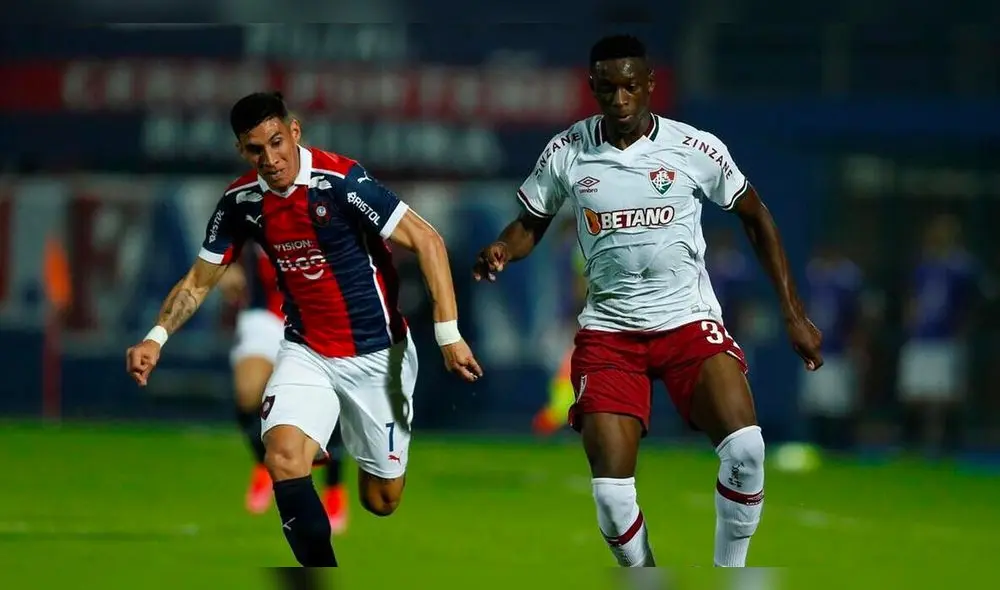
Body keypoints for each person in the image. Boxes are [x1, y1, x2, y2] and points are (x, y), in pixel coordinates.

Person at [473, 35, 822, 568]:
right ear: (591, 87)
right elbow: (530, 223)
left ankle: (730, 575)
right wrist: (503, 247)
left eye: (631, 86)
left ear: (650, 85)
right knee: (613, 500)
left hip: (687, 323)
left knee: (747, 452)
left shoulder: (694, 148)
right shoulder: (567, 151)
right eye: (608, 88)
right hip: (611, 336)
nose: (620, 99)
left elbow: (756, 215)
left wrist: (792, 312)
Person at [126, 91, 482, 566]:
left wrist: (448, 334)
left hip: (380, 357)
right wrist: (155, 337)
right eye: (256, 150)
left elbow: (427, 239)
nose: (270, 159)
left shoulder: (341, 181)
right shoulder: (240, 202)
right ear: (243, 152)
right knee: (283, 456)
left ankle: (354, 448)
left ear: (294, 132)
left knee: (382, 501)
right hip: (306, 351)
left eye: (277, 142)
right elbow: (198, 280)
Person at [217, 246, 349, 532]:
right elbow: (225, 237)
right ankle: (264, 461)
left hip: (317, 316)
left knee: (327, 399)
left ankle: (334, 488)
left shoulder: (328, 207)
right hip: (265, 316)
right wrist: (225, 267)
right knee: (247, 393)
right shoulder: (253, 205)